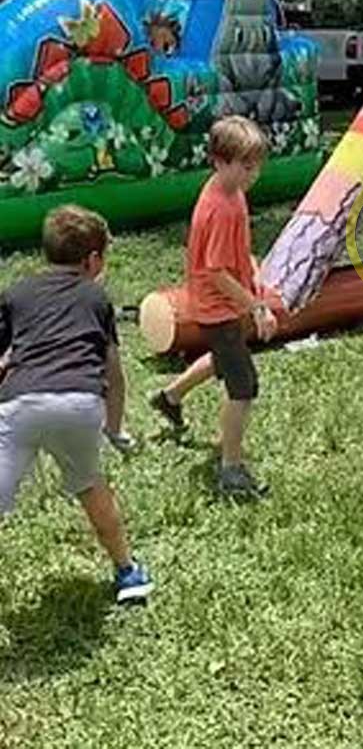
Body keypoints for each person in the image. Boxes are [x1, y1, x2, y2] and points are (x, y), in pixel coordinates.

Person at [0, 205, 153, 604]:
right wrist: (115, 429)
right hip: (78, 403)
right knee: (89, 486)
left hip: (19, 403)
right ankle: (127, 572)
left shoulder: (16, 293)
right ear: (93, 261)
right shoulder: (95, 297)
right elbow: (113, 373)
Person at [149, 116, 277, 499]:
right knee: (243, 387)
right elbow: (217, 271)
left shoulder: (229, 190)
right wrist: (255, 306)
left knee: (224, 356)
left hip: (220, 303)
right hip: (216, 305)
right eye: (245, 165)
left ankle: (169, 397)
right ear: (219, 162)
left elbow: (231, 256)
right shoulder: (221, 205)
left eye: (257, 165)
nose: (253, 174)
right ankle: (231, 470)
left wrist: (252, 268)